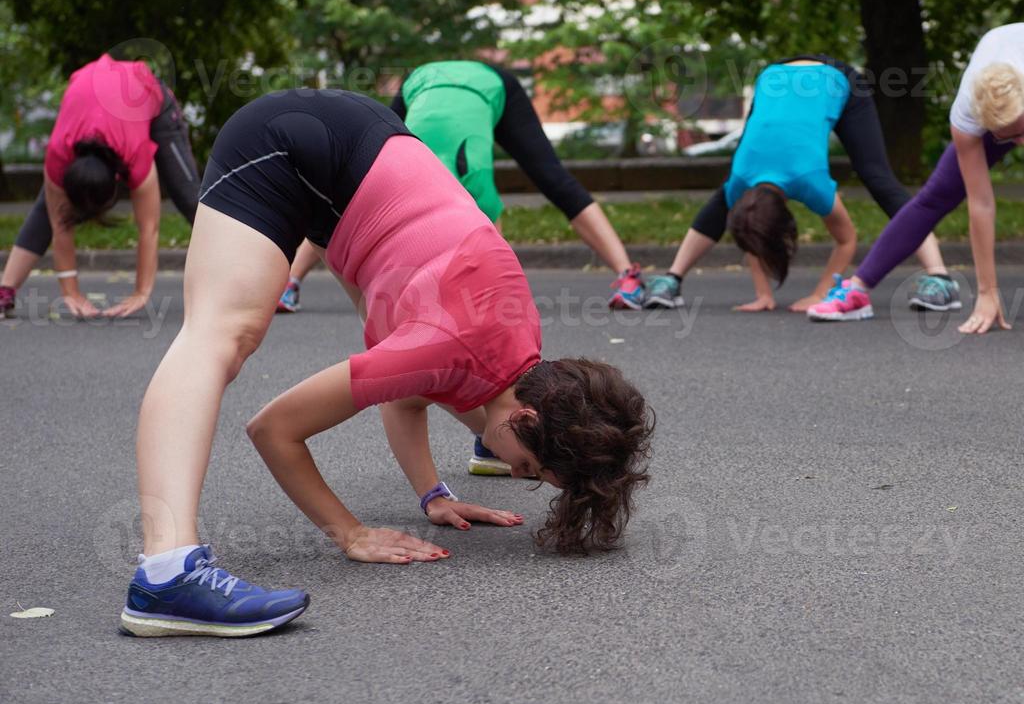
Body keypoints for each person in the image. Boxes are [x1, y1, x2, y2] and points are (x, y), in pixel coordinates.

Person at [121, 89, 653, 638]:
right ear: (529, 417)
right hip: (291, 141)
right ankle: (167, 570)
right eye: (528, 469)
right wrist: (349, 533)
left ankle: (168, 572)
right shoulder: (447, 343)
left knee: (232, 333)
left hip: (362, 153)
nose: (517, 476)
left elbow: (408, 392)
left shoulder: (517, 353)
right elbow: (273, 429)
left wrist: (433, 495)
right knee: (222, 334)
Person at [807, 23, 1024, 332]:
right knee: (936, 195)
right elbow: (981, 205)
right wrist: (987, 293)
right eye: (1008, 137)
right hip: (1003, 108)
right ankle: (857, 290)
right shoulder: (967, 115)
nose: (1023, 142)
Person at [275, 61, 647, 313]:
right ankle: (289, 283)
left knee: (550, 178)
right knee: (356, 193)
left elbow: (494, 249)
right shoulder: (401, 171)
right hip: (421, 82)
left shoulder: (473, 176)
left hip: (489, 84)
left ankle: (627, 274)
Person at [641, 56, 952, 314]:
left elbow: (847, 240)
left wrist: (821, 294)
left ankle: (940, 278)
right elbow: (750, 227)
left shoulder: (810, 182)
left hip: (836, 78)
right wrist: (764, 295)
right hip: (775, 77)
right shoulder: (739, 183)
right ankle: (671, 279)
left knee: (877, 178)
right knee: (729, 200)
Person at [0, 54, 199, 319]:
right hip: (92, 91)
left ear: (119, 183)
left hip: (147, 96)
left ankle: (268, 285)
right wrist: (70, 292)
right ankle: (5, 291)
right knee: (47, 208)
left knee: (192, 200)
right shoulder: (58, 157)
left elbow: (148, 229)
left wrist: (141, 291)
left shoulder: (135, 156)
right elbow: (61, 224)